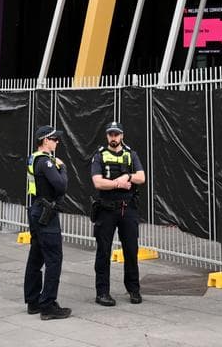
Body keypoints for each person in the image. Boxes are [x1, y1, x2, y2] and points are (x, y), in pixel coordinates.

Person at [90, 121, 145, 306]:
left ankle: (134, 290)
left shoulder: (131, 154)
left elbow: (141, 177)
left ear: (122, 136)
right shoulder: (99, 156)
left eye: (116, 134)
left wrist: (127, 177)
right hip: (106, 209)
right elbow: (97, 182)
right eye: (111, 134)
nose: (114, 138)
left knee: (131, 250)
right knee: (103, 251)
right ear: (107, 136)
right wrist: (117, 184)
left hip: (128, 208)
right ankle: (102, 293)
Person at [23, 125, 71, 320]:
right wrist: (63, 167)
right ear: (45, 140)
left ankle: (33, 301)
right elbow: (61, 186)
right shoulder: (46, 162)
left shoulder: (33, 158)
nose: (57, 142)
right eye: (54, 139)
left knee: (36, 257)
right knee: (54, 259)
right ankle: (48, 305)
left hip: (36, 210)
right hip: (46, 214)